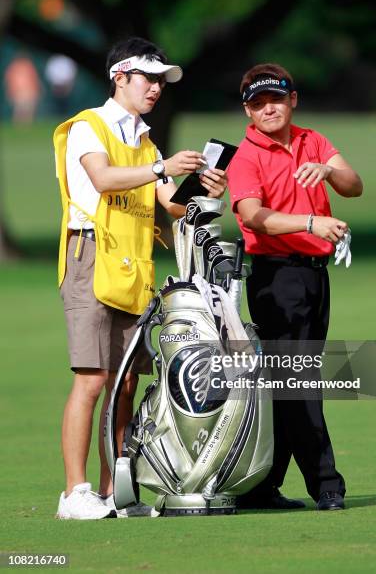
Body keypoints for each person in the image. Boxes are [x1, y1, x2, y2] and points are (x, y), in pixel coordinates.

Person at [53, 37, 227, 519]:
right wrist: (159, 168)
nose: (156, 88)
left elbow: (171, 204)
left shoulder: (145, 139)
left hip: (132, 264)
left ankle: (114, 491)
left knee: (126, 383)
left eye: (161, 81)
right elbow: (104, 179)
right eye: (148, 78)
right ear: (120, 77)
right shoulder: (90, 126)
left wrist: (203, 189)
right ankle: (74, 493)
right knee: (91, 380)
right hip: (90, 256)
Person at [227, 63, 363, 511]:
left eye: (276, 100)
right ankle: (327, 485)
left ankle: (263, 486)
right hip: (276, 276)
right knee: (298, 377)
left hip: (313, 275)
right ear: (247, 110)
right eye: (258, 103)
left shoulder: (313, 141)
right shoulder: (247, 156)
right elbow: (250, 215)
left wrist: (327, 171)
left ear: (293, 101)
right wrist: (311, 221)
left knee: (289, 379)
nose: (269, 109)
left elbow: (354, 186)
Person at [4, 55, 41, 123]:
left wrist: (35, 90)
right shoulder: (14, 66)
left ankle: (27, 125)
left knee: (28, 110)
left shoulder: (28, 65)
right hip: (18, 91)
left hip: (28, 91)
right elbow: (9, 80)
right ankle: (18, 125)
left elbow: (34, 79)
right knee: (19, 110)